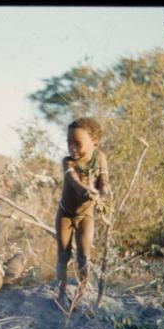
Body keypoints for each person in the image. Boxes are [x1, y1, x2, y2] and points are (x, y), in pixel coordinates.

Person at [55, 117, 110, 305]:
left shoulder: (100, 157)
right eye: (69, 143)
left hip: (86, 215)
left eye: (77, 143)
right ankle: (61, 293)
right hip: (65, 215)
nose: (72, 148)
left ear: (94, 142)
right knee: (63, 254)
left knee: (84, 256)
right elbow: (75, 183)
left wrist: (102, 193)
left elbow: (105, 184)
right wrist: (87, 190)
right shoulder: (68, 162)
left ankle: (81, 293)